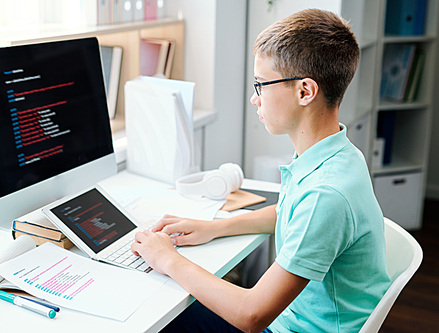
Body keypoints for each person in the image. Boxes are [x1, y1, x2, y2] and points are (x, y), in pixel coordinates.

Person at [131, 8, 391, 333]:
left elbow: (251, 316)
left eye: (261, 84)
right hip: (295, 320)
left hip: (289, 328)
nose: (255, 99)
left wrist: (166, 258)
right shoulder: (336, 154)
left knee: (158, 319)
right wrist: (213, 226)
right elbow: (291, 213)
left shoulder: (328, 193)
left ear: (305, 91)